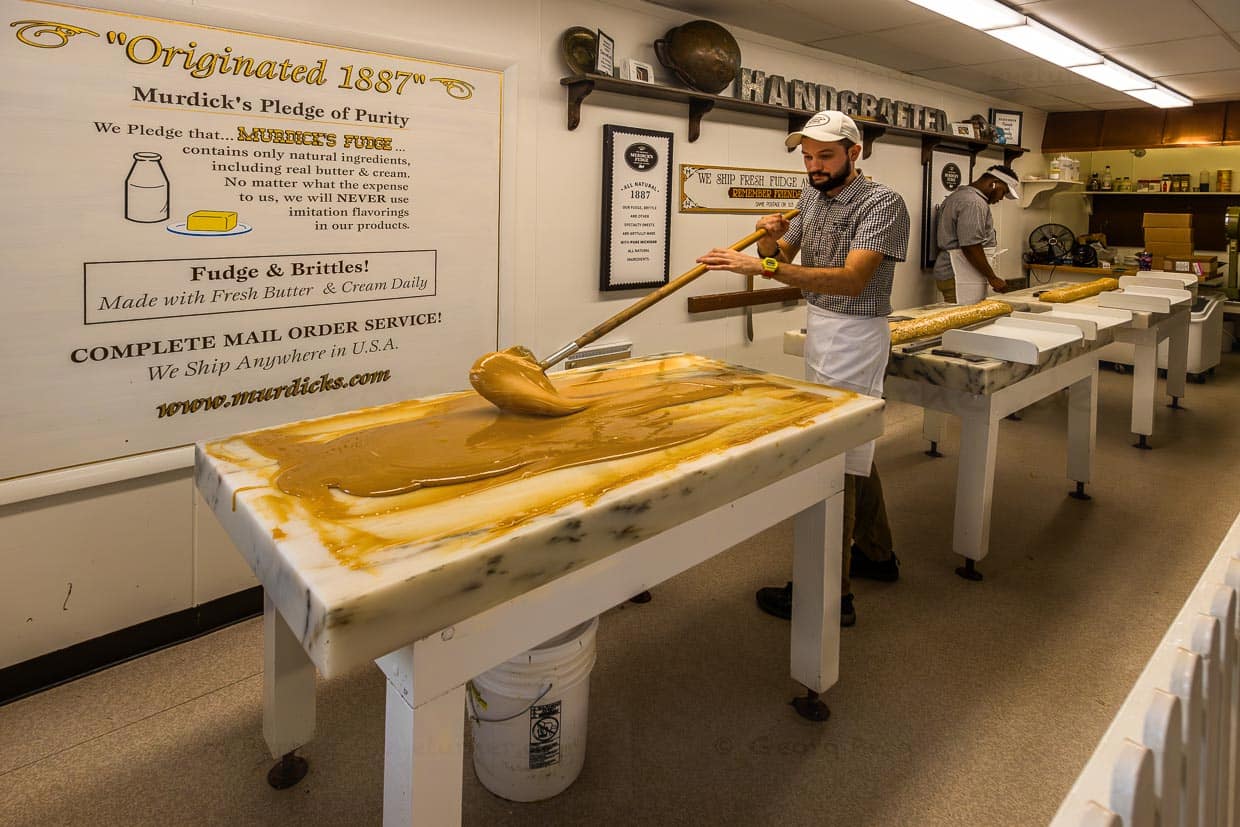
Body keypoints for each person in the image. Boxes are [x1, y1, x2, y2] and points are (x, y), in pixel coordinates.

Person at [696, 110, 909, 627]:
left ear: (854, 153)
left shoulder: (883, 203)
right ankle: (877, 555)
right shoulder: (813, 195)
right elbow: (786, 253)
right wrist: (768, 240)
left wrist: (761, 265)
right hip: (821, 325)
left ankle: (829, 594)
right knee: (854, 445)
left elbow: (852, 280)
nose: (813, 166)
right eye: (808, 157)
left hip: (856, 333)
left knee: (835, 455)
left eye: (825, 156)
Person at [932, 165, 1020, 304]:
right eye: (1003, 192)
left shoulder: (960, 195)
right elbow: (970, 245)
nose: (1002, 198)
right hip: (959, 275)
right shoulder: (974, 203)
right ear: (993, 183)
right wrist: (992, 278)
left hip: (959, 273)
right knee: (961, 322)